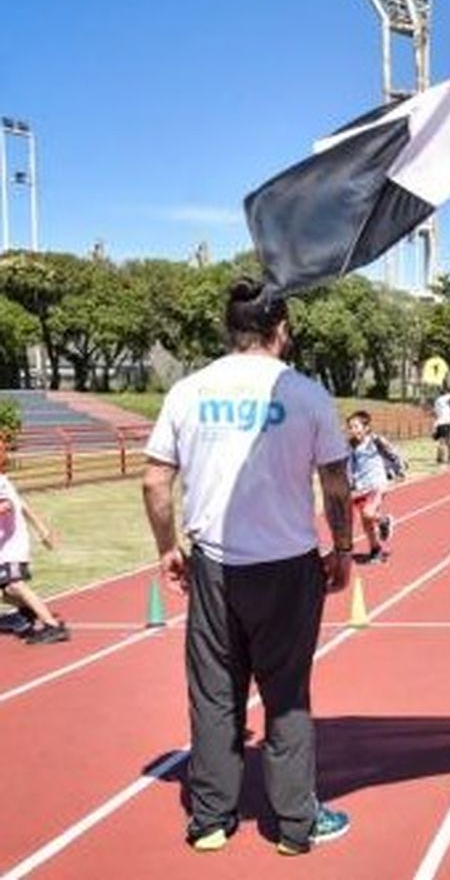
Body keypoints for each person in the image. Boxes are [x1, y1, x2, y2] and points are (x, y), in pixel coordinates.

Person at [142, 278, 355, 855]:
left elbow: (156, 479)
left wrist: (167, 545)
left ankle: (210, 819)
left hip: (214, 566)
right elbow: (336, 481)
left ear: (230, 330)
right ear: (279, 330)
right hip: (287, 567)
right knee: (286, 693)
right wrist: (343, 548)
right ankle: (294, 826)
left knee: (214, 693)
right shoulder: (307, 394)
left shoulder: (188, 391)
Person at [0, 452, 68, 644]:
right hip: (6, 546)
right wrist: (43, 530)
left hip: (11, 546)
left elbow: (6, 506)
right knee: (8, 593)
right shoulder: (4, 480)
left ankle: (52, 626)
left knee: (14, 584)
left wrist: (42, 530)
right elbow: (23, 506)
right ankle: (27, 612)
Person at [345, 411, 404, 564]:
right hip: (360, 487)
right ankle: (375, 550)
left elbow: (393, 453)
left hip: (377, 485)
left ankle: (384, 521)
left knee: (368, 512)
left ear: (366, 427)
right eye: (350, 427)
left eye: (356, 426)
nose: (353, 430)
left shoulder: (375, 441)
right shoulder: (350, 445)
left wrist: (399, 470)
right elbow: (349, 466)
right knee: (366, 523)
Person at [432, 381, 450, 467]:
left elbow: (439, 412)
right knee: (449, 443)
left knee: (443, 442)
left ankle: (440, 460)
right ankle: (448, 461)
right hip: (444, 424)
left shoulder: (437, 401)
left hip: (440, 423)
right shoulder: (444, 398)